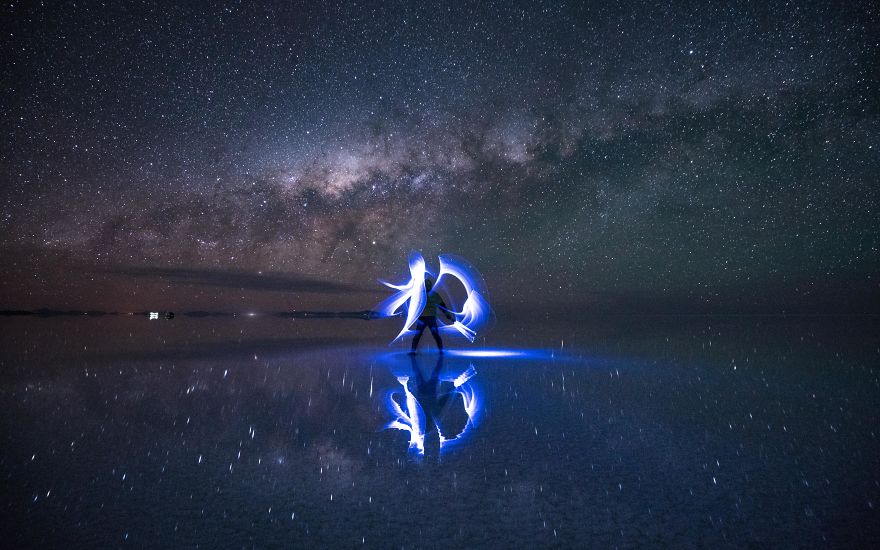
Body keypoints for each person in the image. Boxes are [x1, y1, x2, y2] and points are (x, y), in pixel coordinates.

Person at [409, 276, 450, 354]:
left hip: (426, 318)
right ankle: (440, 351)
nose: (427, 286)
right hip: (427, 318)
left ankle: (413, 351)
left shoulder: (422, 295)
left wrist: (447, 314)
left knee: (420, 335)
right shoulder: (430, 294)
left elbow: (442, 306)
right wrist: (447, 314)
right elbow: (442, 306)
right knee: (433, 335)